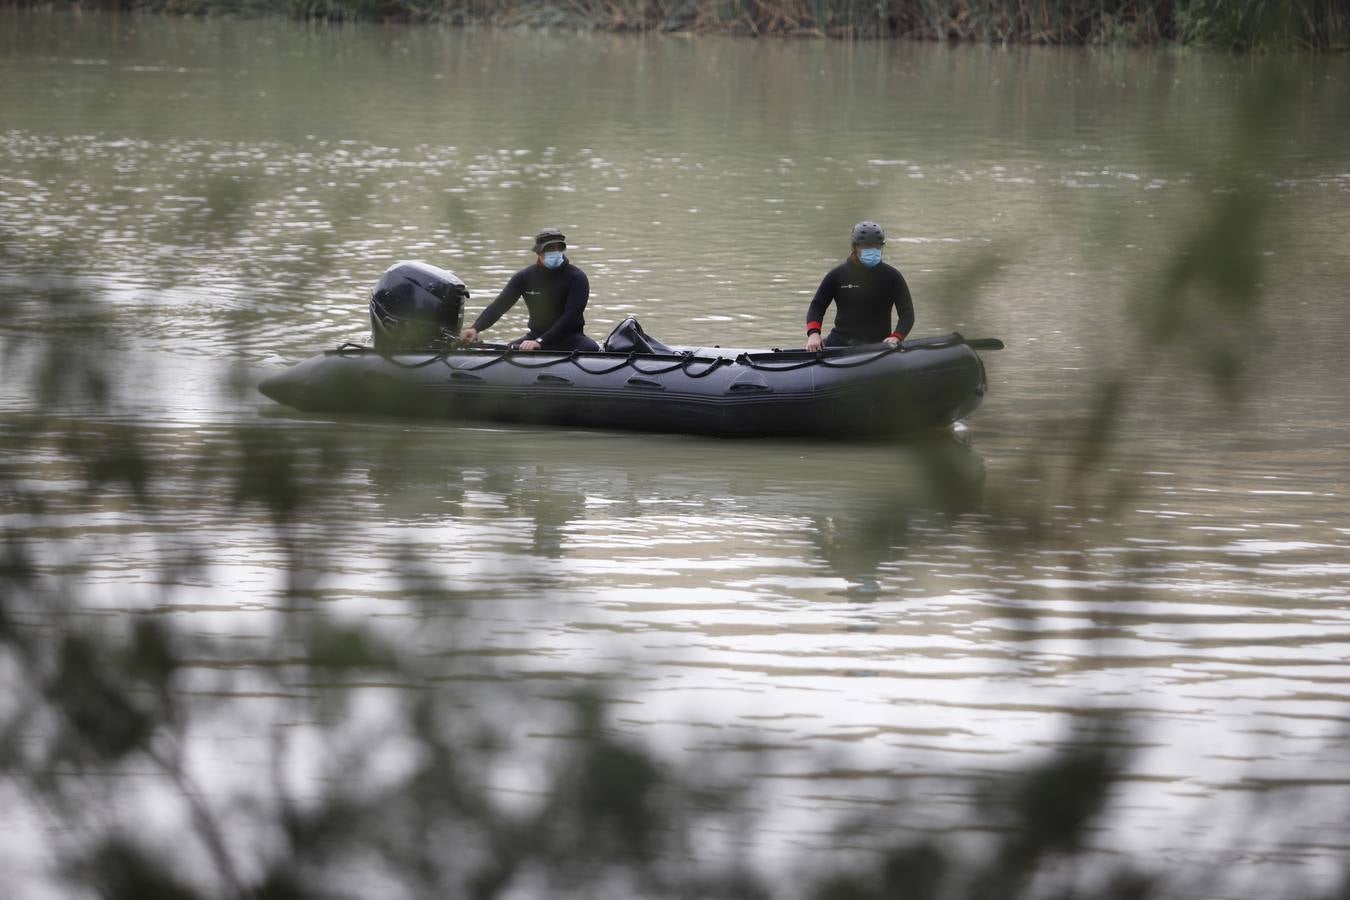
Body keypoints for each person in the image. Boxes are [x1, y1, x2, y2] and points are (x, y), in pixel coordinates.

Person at [459, 227, 599, 352]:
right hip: (534, 336)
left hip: (569, 338)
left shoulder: (577, 277)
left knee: (592, 348)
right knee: (507, 352)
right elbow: (500, 305)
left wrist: (540, 342)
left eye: (559, 248)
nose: (555, 252)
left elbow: (571, 316)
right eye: (550, 249)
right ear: (539, 252)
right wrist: (476, 328)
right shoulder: (525, 277)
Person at [804, 221, 915, 352]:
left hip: (879, 347)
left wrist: (896, 337)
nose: (872, 250)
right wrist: (814, 334)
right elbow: (817, 306)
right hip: (839, 345)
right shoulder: (837, 275)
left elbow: (907, 314)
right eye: (867, 246)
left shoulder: (892, 276)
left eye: (877, 247)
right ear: (854, 247)